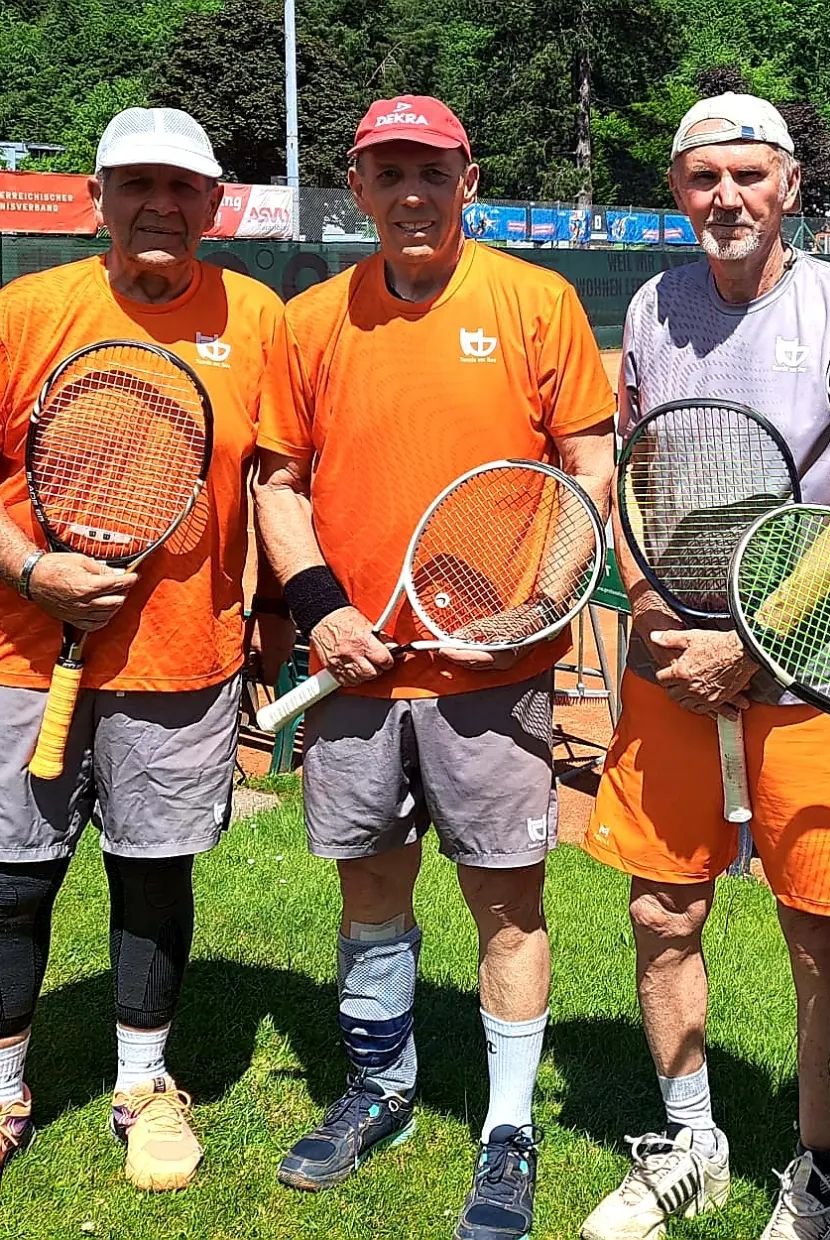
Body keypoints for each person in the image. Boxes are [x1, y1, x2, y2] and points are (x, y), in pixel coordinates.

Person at [253, 96, 615, 1240]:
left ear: (469, 179)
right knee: (371, 892)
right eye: (389, 172)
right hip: (358, 672)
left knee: (507, 903)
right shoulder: (312, 322)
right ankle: (382, 1088)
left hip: (495, 679)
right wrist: (323, 607)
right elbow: (279, 485)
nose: (411, 192)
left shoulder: (535, 301)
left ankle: (509, 1128)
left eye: (433, 170)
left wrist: (538, 601)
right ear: (357, 188)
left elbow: (586, 469)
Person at [579, 92, 830, 1240]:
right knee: (661, 913)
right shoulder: (651, 307)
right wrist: (656, 610)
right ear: (679, 190)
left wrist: (757, 637)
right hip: (672, 660)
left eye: (748, 176)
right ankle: (687, 1145)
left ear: (789, 186)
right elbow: (636, 475)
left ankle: (821, 1170)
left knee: (820, 935)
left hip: (813, 668)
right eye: (703, 177)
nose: (726, 197)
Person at [0, 106, 287, 1190]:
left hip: (185, 657)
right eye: (136, 186)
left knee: (153, 873)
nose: (159, 206)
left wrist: (269, 623)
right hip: (22, 654)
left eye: (182, 188)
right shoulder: (28, 311)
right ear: (97, 200)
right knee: (11, 883)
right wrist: (35, 571)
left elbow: (271, 482)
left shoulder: (258, 316)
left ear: (213, 205)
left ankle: (143, 1080)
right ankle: (5, 1089)